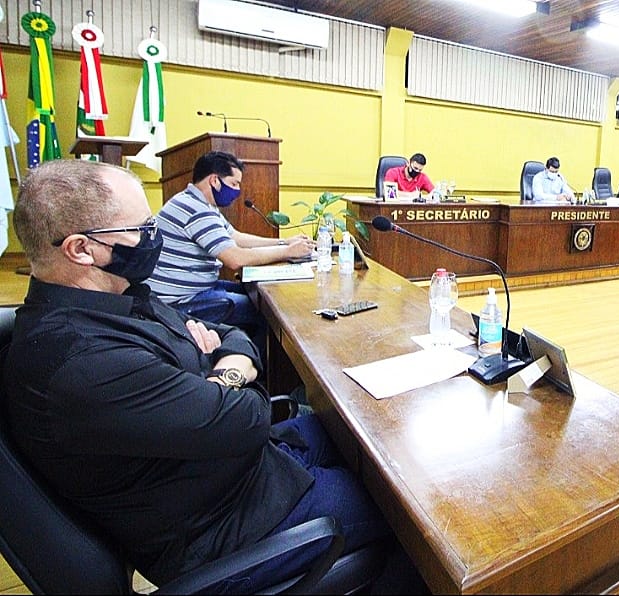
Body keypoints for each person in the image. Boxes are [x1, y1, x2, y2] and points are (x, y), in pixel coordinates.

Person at [4, 160, 411, 593]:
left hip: (248, 465)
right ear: (81, 249)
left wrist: (217, 373)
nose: (153, 237)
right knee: (412, 517)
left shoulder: (119, 294)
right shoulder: (80, 363)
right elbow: (246, 416)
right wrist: (224, 372)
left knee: (382, 432)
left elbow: (230, 336)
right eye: (142, 229)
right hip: (233, 525)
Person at [147, 151, 315, 343]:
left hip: (195, 291)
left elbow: (235, 237)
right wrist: (287, 252)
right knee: (267, 314)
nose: (237, 190)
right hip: (178, 303)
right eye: (234, 184)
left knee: (255, 295)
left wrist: (284, 242)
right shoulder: (196, 210)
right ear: (214, 180)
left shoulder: (200, 203)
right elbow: (235, 259)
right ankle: (261, 370)